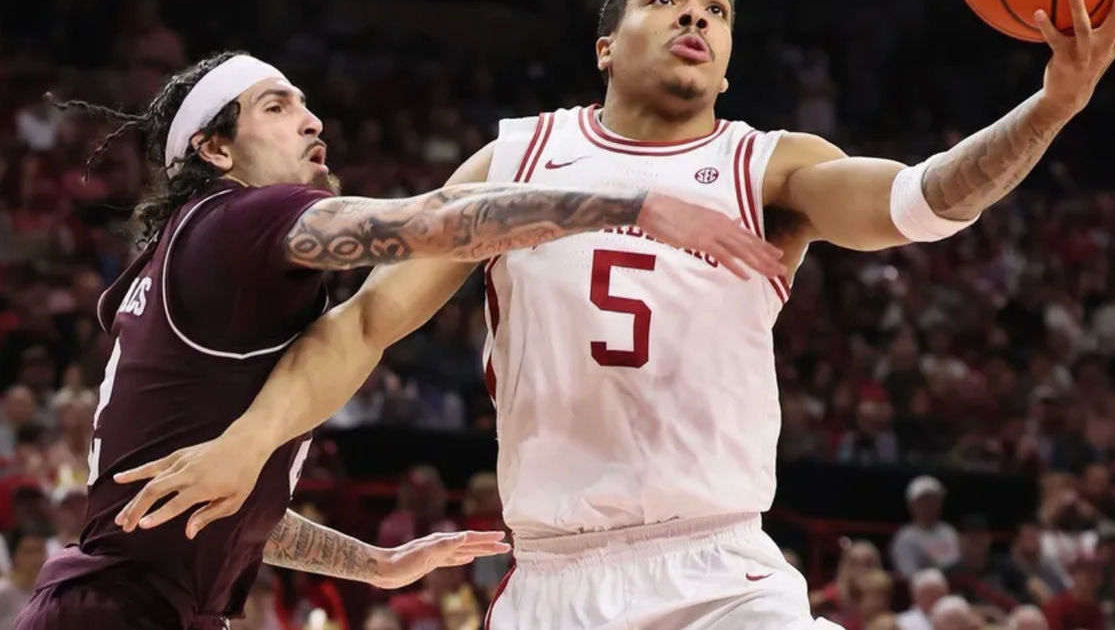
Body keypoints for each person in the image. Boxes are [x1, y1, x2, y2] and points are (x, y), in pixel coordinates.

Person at [114, 0, 1115, 629]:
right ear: (607, 45)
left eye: (715, 10)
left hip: (716, 569)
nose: (694, 17)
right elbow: (364, 325)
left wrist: (1051, 106)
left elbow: (924, 200)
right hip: (556, 578)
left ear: (730, 59)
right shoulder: (518, 157)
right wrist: (250, 444)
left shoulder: (769, 167)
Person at [15, 50, 779, 630]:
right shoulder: (238, 221)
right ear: (216, 151)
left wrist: (373, 565)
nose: (312, 122)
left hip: (126, 599)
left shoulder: (186, 262)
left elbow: (210, 499)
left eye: (307, 105)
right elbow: (433, 224)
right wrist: (629, 202)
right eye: (278, 108)